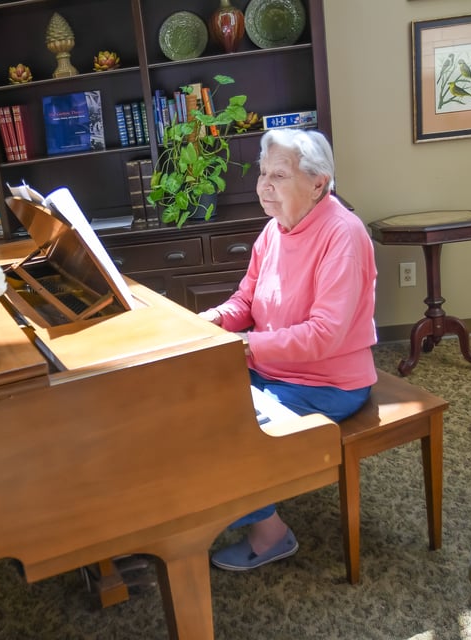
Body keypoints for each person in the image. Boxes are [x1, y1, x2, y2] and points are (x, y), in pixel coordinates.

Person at [199, 128, 378, 572]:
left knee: (229, 430)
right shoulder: (274, 230)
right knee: (187, 402)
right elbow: (246, 300)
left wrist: (246, 347)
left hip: (327, 383)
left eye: (278, 175)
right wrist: (214, 319)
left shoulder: (343, 235)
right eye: (262, 174)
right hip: (271, 368)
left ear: (318, 184)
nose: (264, 186)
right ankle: (188, 515)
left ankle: (270, 533)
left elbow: (323, 335)